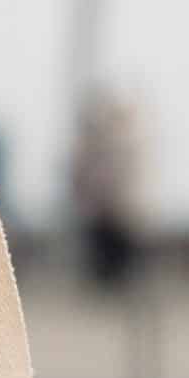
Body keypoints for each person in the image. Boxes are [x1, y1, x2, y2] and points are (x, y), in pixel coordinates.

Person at [69, 84, 146, 293]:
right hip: (109, 213)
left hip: (120, 213)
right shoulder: (101, 142)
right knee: (108, 266)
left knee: (121, 265)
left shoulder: (125, 141)